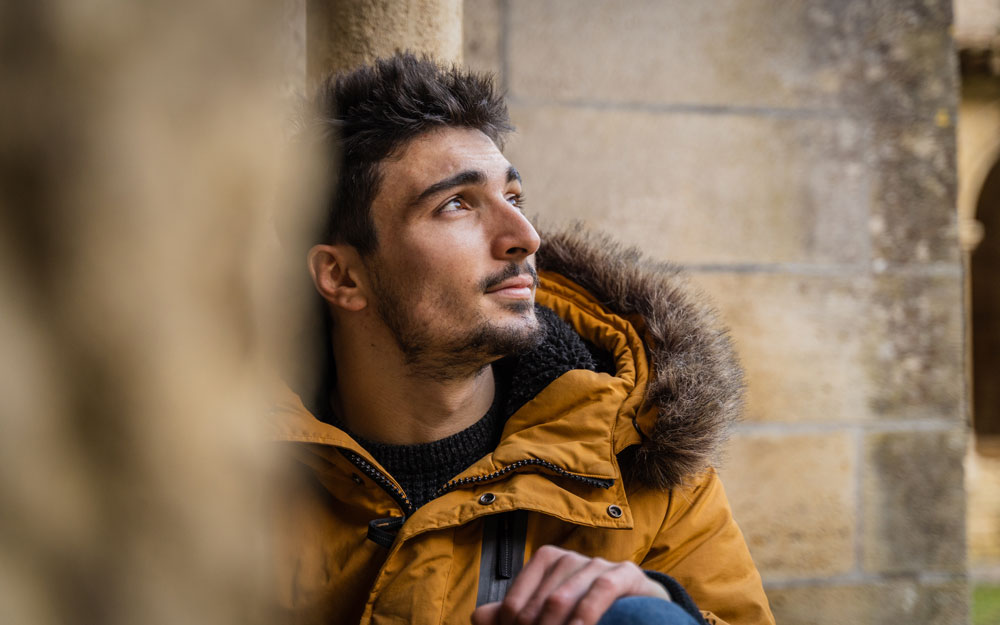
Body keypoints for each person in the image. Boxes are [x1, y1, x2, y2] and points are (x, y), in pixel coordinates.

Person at [270, 53, 775, 625]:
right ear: (342, 276)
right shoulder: (223, 474)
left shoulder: (637, 455)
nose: (525, 238)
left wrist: (663, 612)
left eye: (513, 198)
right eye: (456, 204)